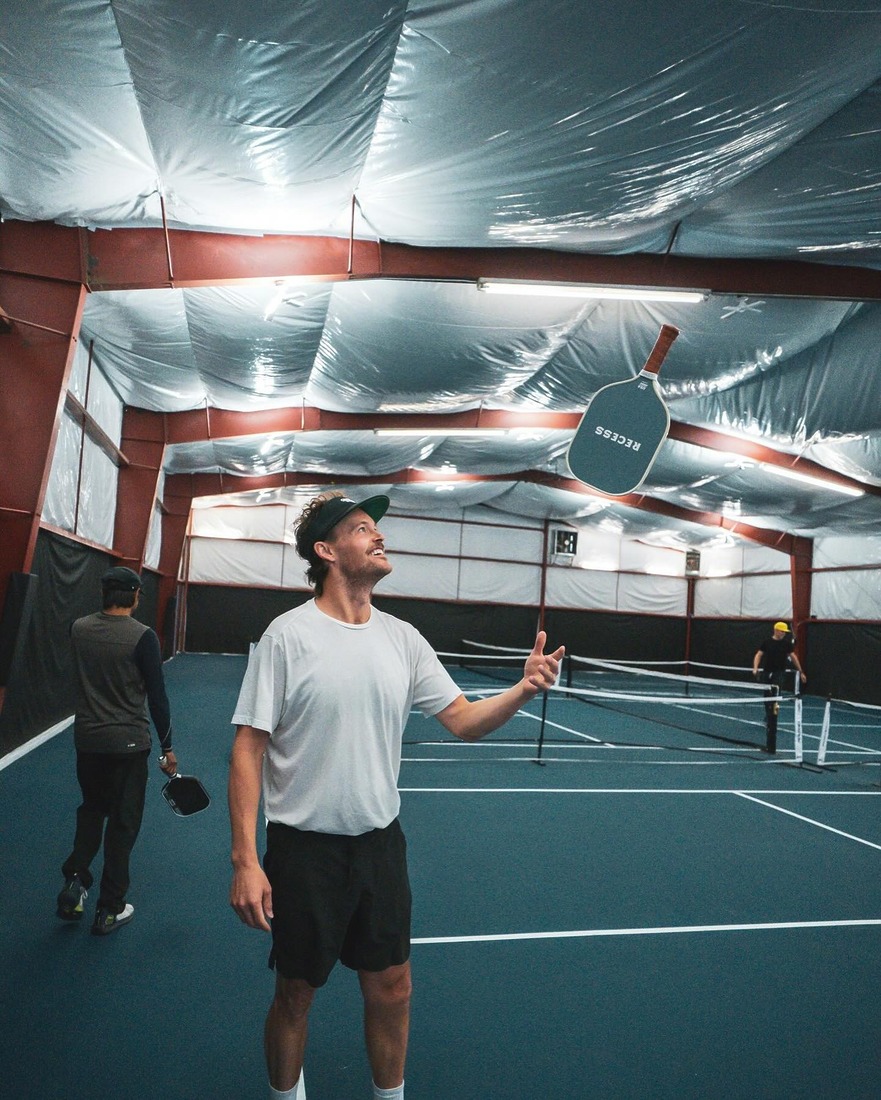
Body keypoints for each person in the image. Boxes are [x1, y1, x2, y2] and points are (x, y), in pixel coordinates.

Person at [229, 492, 564, 1100]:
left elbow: (462, 719)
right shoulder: (287, 636)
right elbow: (248, 748)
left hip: (381, 847)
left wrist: (523, 689)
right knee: (296, 994)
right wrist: (246, 861)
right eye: (362, 529)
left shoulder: (403, 638)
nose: (379, 536)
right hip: (303, 852)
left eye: (376, 528)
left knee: (393, 987)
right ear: (328, 551)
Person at [57, 566, 177, 935]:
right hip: (128, 745)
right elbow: (157, 697)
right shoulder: (143, 637)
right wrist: (168, 747)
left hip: (89, 741)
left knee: (92, 810)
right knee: (123, 824)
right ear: (136, 595)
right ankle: (109, 908)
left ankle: (75, 881)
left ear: (104, 594)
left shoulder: (79, 628)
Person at [752, 620, 807, 690]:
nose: (784, 634)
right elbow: (758, 655)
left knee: (776, 690)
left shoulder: (786, 644)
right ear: (776, 630)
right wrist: (755, 668)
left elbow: (794, 658)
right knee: (767, 692)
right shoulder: (767, 642)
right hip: (767, 671)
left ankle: (776, 701)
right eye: (782, 631)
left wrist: (801, 671)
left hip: (780, 672)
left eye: (784, 632)